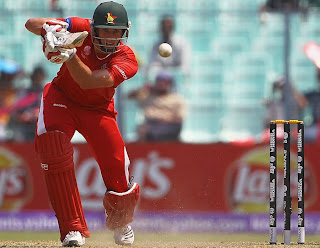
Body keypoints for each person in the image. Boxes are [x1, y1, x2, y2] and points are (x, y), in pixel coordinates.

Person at [25, 1, 140, 246]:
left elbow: (88, 82)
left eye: (116, 32)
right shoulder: (80, 27)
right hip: (62, 97)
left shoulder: (128, 60)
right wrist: (51, 32)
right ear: (93, 28)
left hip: (98, 110)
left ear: (124, 32)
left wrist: (69, 54)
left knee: (117, 166)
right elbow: (30, 24)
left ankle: (121, 222)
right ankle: (71, 229)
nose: (110, 38)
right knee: (53, 145)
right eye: (105, 31)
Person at [128, 71, 186, 142]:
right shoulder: (148, 96)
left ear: (170, 84)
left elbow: (179, 118)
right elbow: (129, 96)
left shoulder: (177, 99)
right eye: (159, 81)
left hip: (169, 126)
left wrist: (162, 120)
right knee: (142, 130)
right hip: (150, 126)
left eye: (165, 82)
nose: (162, 84)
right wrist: (144, 89)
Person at [145, 15, 191, 83]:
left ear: (173, 28)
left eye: (169, 27)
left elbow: (184, 69)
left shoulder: (182, 44)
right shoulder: (154, 45)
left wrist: (168, 74)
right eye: (164, 27)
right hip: (160, 83)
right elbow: (152, 67)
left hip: (177, 83)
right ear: (160, 28)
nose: (166, 29)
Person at [8, 66, 46, 142]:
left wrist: (37, 114)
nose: (37, 79)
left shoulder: (46, 92)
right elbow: (14, 111)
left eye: (39, 76)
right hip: (24, 128)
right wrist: (23, 116)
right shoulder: (24, 91)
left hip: (40, 127)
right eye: (36, 76)